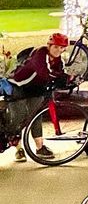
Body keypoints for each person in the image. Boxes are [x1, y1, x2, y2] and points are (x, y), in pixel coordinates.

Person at [3, 32, 69, 161]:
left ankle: (40, 148)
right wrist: (59, 78)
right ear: (49, 46)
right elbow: (43, 73)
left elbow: (59, 73)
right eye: (56, 47)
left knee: (36, 116)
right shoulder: (40, 54)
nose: (59, 50)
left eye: (62, 48)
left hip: (37, 89)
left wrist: (67, 80)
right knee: (19, 116)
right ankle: (18, 147)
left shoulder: (58, 60)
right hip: (19, 86)